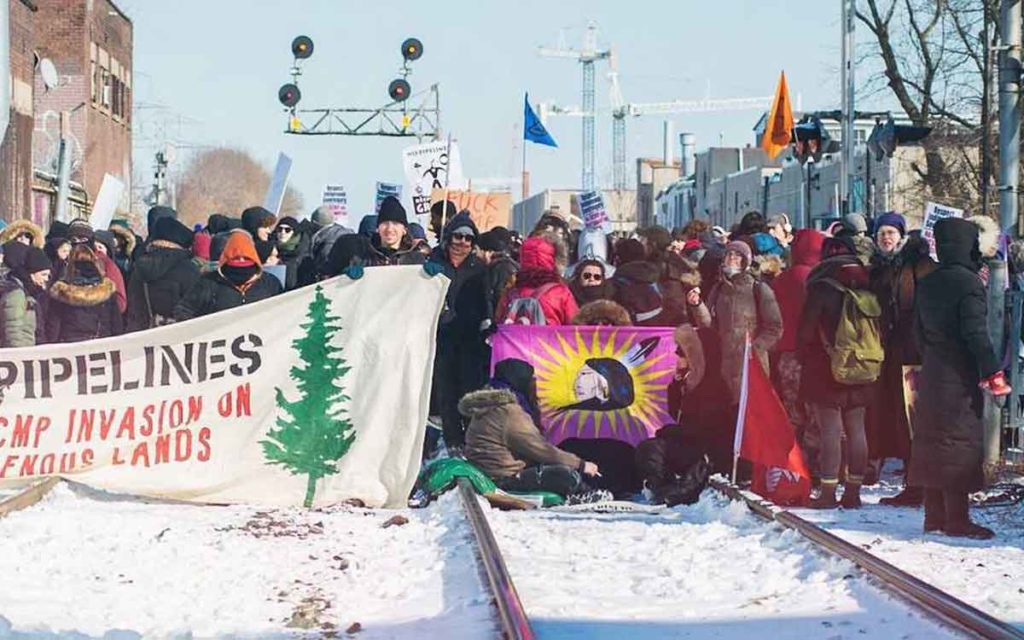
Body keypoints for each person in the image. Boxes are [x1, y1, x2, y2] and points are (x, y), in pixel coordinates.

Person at [910, 217, 1009, 539]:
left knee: (932, 440)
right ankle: (957, 520)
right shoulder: (968, 283)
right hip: (959, 372)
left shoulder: (927, 281)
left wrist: (931, 358)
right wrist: (992, 371)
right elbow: (976, 334)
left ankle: (933, 516)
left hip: (934, 369)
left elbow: (918, 332)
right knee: (958, 442)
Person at [797, 235, 878, 509]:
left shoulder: (821, 287)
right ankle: (853, 492)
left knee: (830, 430)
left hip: (826, 367)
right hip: (864, 364)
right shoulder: (869, 284)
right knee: (857, 429)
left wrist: (804, 356)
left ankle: (829, 492)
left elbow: (806, 333)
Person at [461, 358, 605, 501]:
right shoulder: (508, 412)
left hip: (489, 473)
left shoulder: (489, 406)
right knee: (565, 474)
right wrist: (581, 464)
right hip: (503, 479)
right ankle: (583, 496)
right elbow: (540, 449)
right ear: (521, 382)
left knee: (562, 462)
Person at [869, 213, 937, 504]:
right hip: (893, 354)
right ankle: (914, 484)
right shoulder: (881, 267)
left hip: (915, 354)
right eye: (882, 233)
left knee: (914, 419)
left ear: (901, 236)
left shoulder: (916, 265)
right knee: (901, 419)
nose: (887, 237)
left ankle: (919, 486)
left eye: (891, 233)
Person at [426, 212, 492, 451]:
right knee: (445, 389)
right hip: (441, 337)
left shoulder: (478, 268)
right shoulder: (434, 262)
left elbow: (486, 299)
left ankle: (471, 439)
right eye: (458, 236)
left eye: (468, 238)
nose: (462, 242)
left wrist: (487, 322)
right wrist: (424, 275)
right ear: (448, 237)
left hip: (469, 338)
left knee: (469, 389)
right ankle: (452, 440)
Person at [770, 229, 825, 477]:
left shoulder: (783, 279)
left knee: (792, 410)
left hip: (786, 353)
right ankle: (815, 462)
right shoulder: (820, 278)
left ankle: (793, 462)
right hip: (814, 353)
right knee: (815, 409)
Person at [702, 240, 783, 406]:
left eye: (738, 255)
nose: (732, 258)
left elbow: (775, 327)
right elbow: (708, 324)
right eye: (729, 254)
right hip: (723, 365)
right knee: (727, 415)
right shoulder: (717, 289)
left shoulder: (759, 289)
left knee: (752, 413)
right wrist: (696, 306)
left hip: (752, 365)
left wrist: (756, 348)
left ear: (746, 261)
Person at [173, 230, 283, 320]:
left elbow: (284, 312)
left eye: (246, 257)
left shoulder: (270, 284)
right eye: (235, 258)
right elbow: (184, 311)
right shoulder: (209, 282)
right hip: (220, 343)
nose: (241, 261)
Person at [125, 217, 200, 331]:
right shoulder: (189, 270)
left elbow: (131, 306)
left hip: (140, 337)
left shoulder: (138, 266)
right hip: (178, 339)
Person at [496, 234, 577, 326]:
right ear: (552, 259)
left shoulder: (510, 293)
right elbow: (574, 327)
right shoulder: (560, 293)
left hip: (517, 339)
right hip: (548, 339)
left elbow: (499, 324)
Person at [47, 244, 122, 343]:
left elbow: (54, 327)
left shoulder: (61, 292)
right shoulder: (106, 290)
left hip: (70, 345)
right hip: (102, 343)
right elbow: (116, 324)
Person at [0, 242, 50, 347]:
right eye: (43, 274)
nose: (46, 279)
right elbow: (13, 329)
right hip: (21, 355)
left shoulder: (31, 292)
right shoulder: (17, 293)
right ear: (32, 274)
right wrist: (20, 357)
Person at [365, 196, 426, 266]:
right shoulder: (364, 256)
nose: (389, 229)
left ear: (404, 230)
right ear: (377, 228)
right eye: (385, 223)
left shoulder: (416, 259)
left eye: (395, 224)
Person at [477, 226, 518, 314]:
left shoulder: (502, 268)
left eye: (477, 250)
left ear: (487, 252)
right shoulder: (495, 266)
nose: (476, 254)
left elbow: (500, 297)